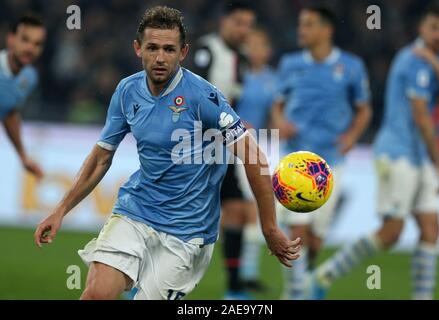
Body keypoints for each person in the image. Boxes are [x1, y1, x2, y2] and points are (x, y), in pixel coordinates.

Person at [34, 6, 300, 300]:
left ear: (183, 52)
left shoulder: (204, 97)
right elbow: (101, 157)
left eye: (169, 49)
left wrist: (269, 227)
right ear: (138, 48)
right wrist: (60, 210)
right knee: (96, 294)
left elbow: (254, 157)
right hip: (135, 213)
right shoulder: (126, 92)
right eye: (153, 48)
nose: (160, 57)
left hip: (187, 234)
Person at [311, 1, 439, 300]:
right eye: (434, 28)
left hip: (418, 155)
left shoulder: (437, 61)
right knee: (391, 233)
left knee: (431, 228)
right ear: (421, 28)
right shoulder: (413, 60)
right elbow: (422, 118)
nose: (438, 34)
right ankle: (327, 273)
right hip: (397, 154)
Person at [271, 4, 372, 299]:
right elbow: (277, 104)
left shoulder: (351, 66)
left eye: (309, 24)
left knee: (314, 239)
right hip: (295, 159)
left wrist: (353, 136)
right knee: (296, 230)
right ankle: (294, 292)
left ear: (327, 30)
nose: (301, 30)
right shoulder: (290, 63)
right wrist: (280, 122)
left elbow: (364, 109)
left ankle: (307, 281)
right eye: (301, 24)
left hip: (330, 162)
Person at [191, 1, 258, 298]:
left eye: (248, 24)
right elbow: (190, 95)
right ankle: (141, 281)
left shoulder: (242, 59)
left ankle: (233, 288)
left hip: (222, 146)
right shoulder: (207, 50)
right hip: (193, 146)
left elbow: (231, 103)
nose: (244, 30)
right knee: (179, 216)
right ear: (224, 22)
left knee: (238, 212)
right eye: (239, 22)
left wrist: (237, 123)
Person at [235, 27, 277, 292]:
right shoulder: (235, 72)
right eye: (250, 44)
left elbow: (276, 113)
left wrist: (280, 130)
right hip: (226, 143)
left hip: (255, 146)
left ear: (267, 50)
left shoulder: (273, 80)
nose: (254, 49)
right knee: (241, 210)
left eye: (259, 44)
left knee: (252, 208)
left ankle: (247, 272)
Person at [1, 13, 46, 179]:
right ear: (11, 39)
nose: (30, 48)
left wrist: (23, 157)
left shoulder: (29, 77)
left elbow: (9, 112)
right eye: (25, 40)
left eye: (37, 44)